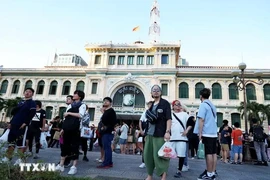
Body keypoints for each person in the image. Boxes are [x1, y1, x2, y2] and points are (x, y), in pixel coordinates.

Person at [1, 88, 36, 165]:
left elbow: (32, 114)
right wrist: (10, 122)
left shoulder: (32, 103)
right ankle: (7, 158)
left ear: (32, 94)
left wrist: (25, 123)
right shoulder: (20, 102)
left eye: (29, 92)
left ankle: (20, 160)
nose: (27, 93)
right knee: (11, 142)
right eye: (26, 91)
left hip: (22, 125)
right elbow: (15, 114)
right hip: (14, 124)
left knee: (21, 143)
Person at [55, 90, 87, 175]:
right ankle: (61, 164)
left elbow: (81, 115)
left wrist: (69, 113)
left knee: (74, 147)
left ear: (79, 96)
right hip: (67, 128)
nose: (74, 95)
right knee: (64, 146)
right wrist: (63, 128)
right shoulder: (70, 105)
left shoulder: (82, 105)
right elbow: (65, 118)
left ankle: (74, 166)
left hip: (75, 129)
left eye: (75, 94)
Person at [144, 85, 172, 180]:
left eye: (158, 90)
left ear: (161, 92)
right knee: (147, 156)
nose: (156, 91)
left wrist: (167, 131)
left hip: (160, 134)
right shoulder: (151, 105)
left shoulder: (165, 104)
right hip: (149, 134)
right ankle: (149, 175)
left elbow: (169, 118)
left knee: (160, 155)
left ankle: (163, 176)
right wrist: (145, 134)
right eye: (154, 90)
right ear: (151, 93)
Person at [194, 88, 218, 180]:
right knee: (214, 153)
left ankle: (209, 174)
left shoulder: (203, 105)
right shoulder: (212, 105)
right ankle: (212, 172)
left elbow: (201, 119)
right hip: (213, 132)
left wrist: (200, 132)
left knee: (208, 153)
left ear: (200, 96)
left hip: (207, 132)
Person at [170, 100, 192, 178]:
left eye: (179, 104)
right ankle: (163, 170)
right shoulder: (170, 115)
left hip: (182, 138)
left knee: (181, 155)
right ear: (173, 106)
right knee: (166, 154)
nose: (178, 106)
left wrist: (186, 130)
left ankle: (179, 171)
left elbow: (191, 122)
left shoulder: (184, 114)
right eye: (176, 104)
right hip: (171, 138)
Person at [97, 97, 117, 168]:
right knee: (105, 147)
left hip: (108, 131)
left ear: (110, 103)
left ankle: (107, 163)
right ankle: (108, 162)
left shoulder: (111, 111)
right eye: (104, 101)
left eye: (107, 101)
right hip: (104, 131)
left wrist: (103, 113)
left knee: (107, 148)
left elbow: (108, 121)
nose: (105, 102)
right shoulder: (107, 111)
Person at [138, 101, 152, 168]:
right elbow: (140, 121)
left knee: (153, 148)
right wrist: (141, 130)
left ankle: (153, 163)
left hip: (153, 132)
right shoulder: (145, 112)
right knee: (145, 147)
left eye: (151, 104)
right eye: (148, 105)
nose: (149, 106)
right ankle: (144, 162)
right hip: (146, 132)